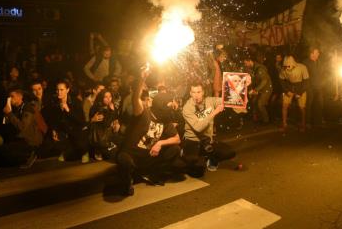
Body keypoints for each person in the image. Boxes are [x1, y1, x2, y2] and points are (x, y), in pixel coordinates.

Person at [116, 66, 182, 196]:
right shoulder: (143, 113)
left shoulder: (165, 121)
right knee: (124, 160)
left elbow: (177, 138)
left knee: (175, 149)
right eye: (169, 105)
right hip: (131, 156)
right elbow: (136, 98)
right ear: (161, 105)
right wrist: (142, 78)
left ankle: (153, 173)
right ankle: (128, 179)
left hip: (148, 157)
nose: (171, 108)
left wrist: (160, 143)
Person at [182, 82, 236, 175]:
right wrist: (214, 112)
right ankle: (185, 152)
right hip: (193, 140)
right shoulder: (187, 108)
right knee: (197, 172)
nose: (196, 95)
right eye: (193, 92)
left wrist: (242, 86)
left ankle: (212, 159)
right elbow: (198, 128)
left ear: (203, 92)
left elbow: (229, 99)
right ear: (190, 93)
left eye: (198, 92)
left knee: (230, 152)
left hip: (207, 140)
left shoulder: (210, 101)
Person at [44, 80, 90, 163]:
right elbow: (54, 119)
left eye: (62, 90)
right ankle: (67, 150)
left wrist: (68, 110)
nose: (59, 92)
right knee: (49, 143)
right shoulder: (54, 102)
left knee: (75, 152)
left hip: (76, 131)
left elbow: (80, 121)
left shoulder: (76, 102)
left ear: (67, 90)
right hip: (64, 130)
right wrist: (54, 130)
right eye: (57, 90)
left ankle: (84, 152)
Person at [0, 88, 43, 168]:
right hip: (21, 139)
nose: (10, 99)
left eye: (12, 96)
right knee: (3, 149)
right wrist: (7, 114)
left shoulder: (27, 108)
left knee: (5, 151)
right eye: (9, 97)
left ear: (20, 97)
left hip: (30, 141)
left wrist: (10, 114)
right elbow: (4, 124)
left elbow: (22, 127)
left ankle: (29, 155)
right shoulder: (16, 109)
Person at [279, 55, 310, 133]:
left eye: (288, 65)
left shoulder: (302, 67)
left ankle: (303, 124)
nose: (286, 68)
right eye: (285, 66)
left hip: (300, 87)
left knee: (302, 107)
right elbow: (282, 81)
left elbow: (306, 82)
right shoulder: (283, 69)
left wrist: (300, 92)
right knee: (284, 105)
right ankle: (284, 124)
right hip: (289, 87)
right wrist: (286, 91)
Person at [88, 89, 120, 160]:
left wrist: (116, 123)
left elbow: (115, 118)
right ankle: (97, 151)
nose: (109, 99)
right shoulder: (97, 108)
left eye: (110, 96)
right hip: (100, 137)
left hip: (108, 135)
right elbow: (106, 124)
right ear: (101, 98)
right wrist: (112, 111)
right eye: (106, 97)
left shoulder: (111, 107)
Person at [243, 55, 272, 124]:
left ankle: (266, 120)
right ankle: (257, 118)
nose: (245, 65)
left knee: (260, 104)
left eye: (245, 63)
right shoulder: (253, 68)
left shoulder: (259, 69)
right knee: (254, 102)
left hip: (266, 88)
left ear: (250, 61)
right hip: (259, 88)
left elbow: (264, 81)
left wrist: (256, 90)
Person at [304, 47, 324, 128]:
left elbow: (321, 73)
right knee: (309, 104)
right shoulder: (306, 63)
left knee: (319, 104)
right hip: (310, 87)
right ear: (311, 53)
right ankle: (307, 122)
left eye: (318, 53)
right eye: (317, 52)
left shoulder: (319, 62)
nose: (318, 54)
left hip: (318, 86)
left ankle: (318, 121)